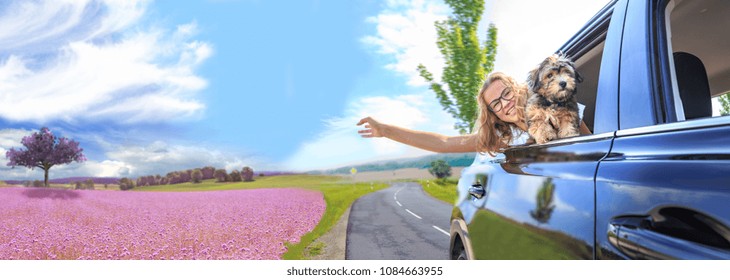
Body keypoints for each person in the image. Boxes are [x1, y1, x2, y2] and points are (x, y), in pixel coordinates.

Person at [357, 72, 591, 155]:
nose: (505, 104)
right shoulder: (504, 140)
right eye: (496, 104)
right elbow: (444, 143)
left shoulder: (556, 105)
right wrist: (385, 130)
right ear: (495, 115)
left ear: (517, 89)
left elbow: (593, 146)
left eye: (506, 94)